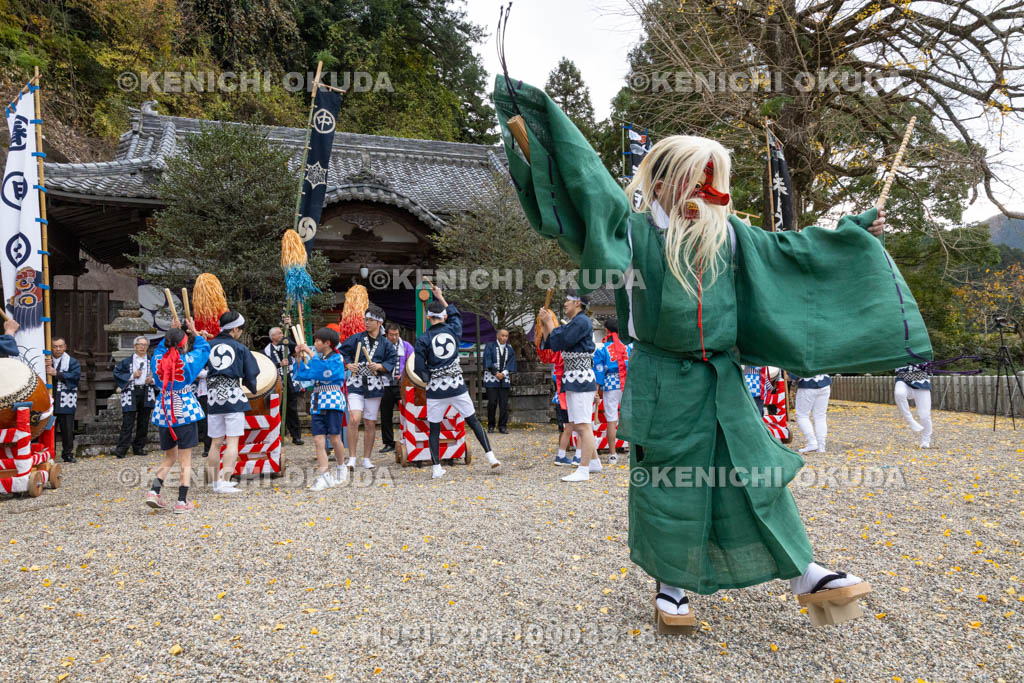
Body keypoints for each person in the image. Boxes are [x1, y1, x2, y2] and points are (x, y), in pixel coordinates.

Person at [495, 79, 931, 625]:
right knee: (669, 481)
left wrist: (853, 232)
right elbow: (589, 198)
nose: (704, 193)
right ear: (661, 185)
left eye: (711, 182)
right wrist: (544, 141)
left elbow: (796, 252)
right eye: (693, 181)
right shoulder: (631, 235)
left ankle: (804, 572)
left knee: (753, 472)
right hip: (662, 378)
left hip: (722, 377)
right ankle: (671, 585)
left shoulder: (732, 236)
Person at [413, 284, 501, 478]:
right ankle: (491, 456)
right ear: (444, 316)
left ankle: (436, 468)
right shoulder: (454, 329)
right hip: (456, 385)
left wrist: (429, 379)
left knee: (434, 429)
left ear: (427, 317)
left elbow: (418, 367)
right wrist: (440, 296)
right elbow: (456, 315)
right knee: (473, 421)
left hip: (436, 389)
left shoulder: (423, 338)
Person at [146, 318, 210, 513]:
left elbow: (160, 350)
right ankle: (182, 501)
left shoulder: (157, 360)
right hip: (184, 411)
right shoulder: (187, 361)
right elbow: (203, 350)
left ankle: (154, 491)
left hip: (164, 411)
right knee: (185, 459)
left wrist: (172, 331)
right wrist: (195, 332)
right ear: (183, 344)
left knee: (170, 456)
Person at [538, 291, 599, 482]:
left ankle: (584, 469)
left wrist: (550, 322)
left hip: (581, 378)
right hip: (573, 377)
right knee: (579, 423)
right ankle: (594, 462)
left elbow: (561, 340)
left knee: (582, 425)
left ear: (578, 303)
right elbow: (552, 343)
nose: (564, 304)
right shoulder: (575, 322)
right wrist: (545, 325)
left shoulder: (582, 322)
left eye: (567, 301)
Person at [205, 311, 260, 494]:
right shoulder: (240, 348)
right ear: (235, 329)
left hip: (213, 396)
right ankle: (224, 481)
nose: (240, 333)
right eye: (240, 330)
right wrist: (251, 385)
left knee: (215, 442)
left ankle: (215, 482)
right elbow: (252, 372)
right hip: (232, 396)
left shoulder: (208, 345)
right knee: (232, 441)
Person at [340, 304, 397, 470]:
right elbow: (342, 352)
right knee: (354, 419)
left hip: (374, 385)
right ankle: (352, 458)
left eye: (370, 320)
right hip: (356, 383)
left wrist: (380, 366)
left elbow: (392, 360)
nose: (366, 322)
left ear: (379, 322)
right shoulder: (356, 338)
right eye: (365, 319)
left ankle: (366, 458)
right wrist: (348, 364)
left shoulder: (385, 343)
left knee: (370, 422)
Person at [293, 327, 349, 490]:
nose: (315, 343)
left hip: (333, 400)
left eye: (318, 341)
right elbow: (304, 374)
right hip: (318, 400)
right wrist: (299, 356)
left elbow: (325, 370)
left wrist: (309, 353)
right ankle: (324, 476)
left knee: (334, 437)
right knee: (318, 439)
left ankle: (341, 467)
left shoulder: (337, 358)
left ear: (327, 343)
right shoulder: (317, 358)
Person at [593, 317, 630, 463]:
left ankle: (613, 455)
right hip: (628, 384)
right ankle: (632, 454)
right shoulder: (628, 347)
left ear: (606, 331)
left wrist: (596, 391)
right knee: (629, 419)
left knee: (611, 420)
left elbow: (599, 371)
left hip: (610, 384)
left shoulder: (602, 349)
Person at [112, 336, 156, 458]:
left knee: (144, 422)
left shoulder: (152, 361)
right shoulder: (127, 361)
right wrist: (132, 375)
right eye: (140, 344)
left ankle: (139, 447)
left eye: (145, 345)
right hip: (131, 391)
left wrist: (152, 380)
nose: (142, 347)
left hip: (146, 391)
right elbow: (116, 373)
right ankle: (122, 449)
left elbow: (160, 375)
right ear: (134, 346)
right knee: (128, 421)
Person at [537, 344, 580, 466]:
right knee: (581, 427)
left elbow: (555, 377)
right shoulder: (572, 358)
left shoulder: (557, 360)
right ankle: (578, 456)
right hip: (569, 396)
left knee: (567, 428)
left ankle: (561, 455)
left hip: (560, 397)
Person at [265, 319, 303, 445]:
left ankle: (296, 436)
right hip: (276, 383)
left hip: (289, 380)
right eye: (280, 333)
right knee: (278, 409)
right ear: (273, 337)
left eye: (282, 333)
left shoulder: (285, 345)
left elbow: (294, 345)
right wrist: (279, 364)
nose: (282, 335)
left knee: (292, 409)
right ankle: (278, 436)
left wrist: (289, 326)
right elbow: (267, 366)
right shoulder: (267, 350)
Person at [379, 322, 414, 454]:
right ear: (386, 335)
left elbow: (412, 362)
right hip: (385, 383)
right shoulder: (381, 346)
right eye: (391, 335)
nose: (394, 337)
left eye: (396, 334)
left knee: (407, 412)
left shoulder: (406, 346)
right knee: (385, 415)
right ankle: (389, 443)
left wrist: (403, 374)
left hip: (402, 384)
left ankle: (408, 439)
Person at [47, 337, 81, 463]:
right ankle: (50, 454)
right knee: (49, 429)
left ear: (65, 347)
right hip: (50, 399)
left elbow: (75, 376)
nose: (57, 349)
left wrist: (57, 374)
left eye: (60, 346)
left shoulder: (72, 362)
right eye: (55, 346)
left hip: (66, 398)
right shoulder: (46, 361)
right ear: (51, 348)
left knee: (67, 429)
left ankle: (67, 454)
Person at [483, 328, 517, 434]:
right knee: (492, 402)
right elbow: (487, 360)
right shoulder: (490, 346)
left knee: (504, 403)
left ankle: (502, 426)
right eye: (502, 335)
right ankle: (491, 425)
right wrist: (496, 372)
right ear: (497, 336)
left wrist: (504, 373)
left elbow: (511, 363)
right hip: (491, 378)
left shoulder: (509, 349)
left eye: (506, 336)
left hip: (504, 378)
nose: (504, 338)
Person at [790, 373, 832, 454]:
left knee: (802, 415)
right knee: (820, 416)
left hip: (807, 384)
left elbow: (791, 375)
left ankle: (812, 443)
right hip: (825, 383)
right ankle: (821, 446)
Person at [894, 364, 932, 448]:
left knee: (925, 415)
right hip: (902, 379)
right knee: (899, 393)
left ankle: (926, 440)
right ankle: (910, 420)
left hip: (921, 380)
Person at [193, 366, 211, 457]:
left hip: (217, 392)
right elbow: (196, 372)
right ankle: (207, 448)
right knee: (206, 422)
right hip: (204, 394)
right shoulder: (201, 360)